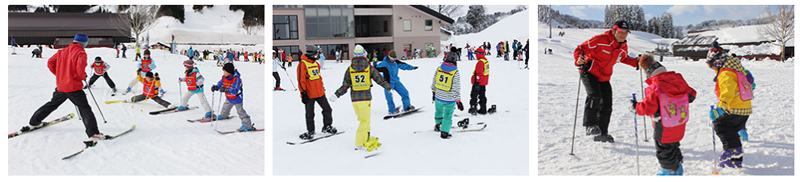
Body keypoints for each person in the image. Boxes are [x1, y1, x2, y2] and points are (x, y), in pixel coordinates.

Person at [23, 33, 108, 146]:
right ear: (84, 43)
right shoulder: (81, 52)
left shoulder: (62, 51)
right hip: (73, 88)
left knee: (52, 104)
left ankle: (34, 122)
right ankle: (93, 134)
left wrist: (60, 75)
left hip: (61, 86)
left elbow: (50, 63)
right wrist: (82, 77)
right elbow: (80, 69)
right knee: (84, 109)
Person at [573, 20, 640, 142]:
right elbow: (580, 49)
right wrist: (579, 59)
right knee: (594, 95)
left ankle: (602, 133)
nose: (623, 35)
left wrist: (637, 62)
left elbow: (623, 58)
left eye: (626, 32)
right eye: (620, 32)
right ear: (614, 31)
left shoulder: (623, 46)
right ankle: (590, 125)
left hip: (604, 76)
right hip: (589, 70)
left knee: (607, 105)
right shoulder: (600, 39)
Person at [632, 54, 697, 175]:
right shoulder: (679, 81)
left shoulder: (655, 87)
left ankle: (668, 171)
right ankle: (678, 167)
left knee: (664, 149)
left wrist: (636, 107)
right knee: (674, 145)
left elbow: (648, 108)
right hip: (679, 123)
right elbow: (692, 95)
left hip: (663, 125)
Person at [330, 45, 391, 151]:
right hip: (365, 99)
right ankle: (359, 143)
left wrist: (336, 95)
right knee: (364, 122)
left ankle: (366, 139)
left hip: (355, 100)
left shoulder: (350, 69)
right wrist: (388, 88)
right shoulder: (369, 68)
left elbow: (345, 85)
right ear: (365, 55)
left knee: (364, 120)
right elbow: (379, 79)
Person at [706, 40, 753, 169]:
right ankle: (735, 161)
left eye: (711, 65)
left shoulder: (726, 73)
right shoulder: (736, 70)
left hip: (735, 107)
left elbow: (728, 93)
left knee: (720, 124)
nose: (711, 68)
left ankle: (733, 150)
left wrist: (720, 108)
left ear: (718, 62)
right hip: (745, 108)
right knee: (732, 131)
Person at [297, 44, 336, 140]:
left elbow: (318, 77)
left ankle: (327, 126)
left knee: (327, 109)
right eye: (315, 54)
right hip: (309, 94)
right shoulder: (302, 64)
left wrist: (321, 87)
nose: (316, 55)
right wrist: (303, 93)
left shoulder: (316, 64)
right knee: (310, 114)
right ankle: (311, 131)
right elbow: (301, 80)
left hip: (320, 93)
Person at [211, 63, 255, 131]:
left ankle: (247, 125)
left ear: (229, 72)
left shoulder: (236, 79)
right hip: (229, 97)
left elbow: (235, 90)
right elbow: (220, 83)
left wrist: (226, 89)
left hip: (237, 98)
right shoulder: (224, 77)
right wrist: (216, 87)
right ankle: (224, 115)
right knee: (225, 107)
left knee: (240, 111)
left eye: (225, 71)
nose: (224, 73)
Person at [432, 47, 464, 139]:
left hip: (438, 96)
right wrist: (458, 101)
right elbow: (456, 87)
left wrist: (433, 92)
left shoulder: (439, 68)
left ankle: (438, 125)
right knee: (448, 114)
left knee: (438, 111)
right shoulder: (455, 71)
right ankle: (444, 132)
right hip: (449, 98)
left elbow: (434, 81)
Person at [376, 50, 418, 114]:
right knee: (389, 97)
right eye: (392, 58)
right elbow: (374, 70)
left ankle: (407, 107)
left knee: (405, 93)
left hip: (396, 82)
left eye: (395, 58)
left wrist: (412, 68)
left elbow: (404, 65)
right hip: (388, 83)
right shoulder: (383, 64)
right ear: (389, 57)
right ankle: (392, 110)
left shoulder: (396, 62)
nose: (394, 60)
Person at [469, 47, 490, 115]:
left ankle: (473, 108)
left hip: (478, 82)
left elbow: (479, 73)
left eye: (476, 54)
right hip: (483, 82)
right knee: (482, 95)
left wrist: (477, 82)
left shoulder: (480, 62)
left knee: (474, 95)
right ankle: (483, 108)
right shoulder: (485, 61)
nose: (475, 55)